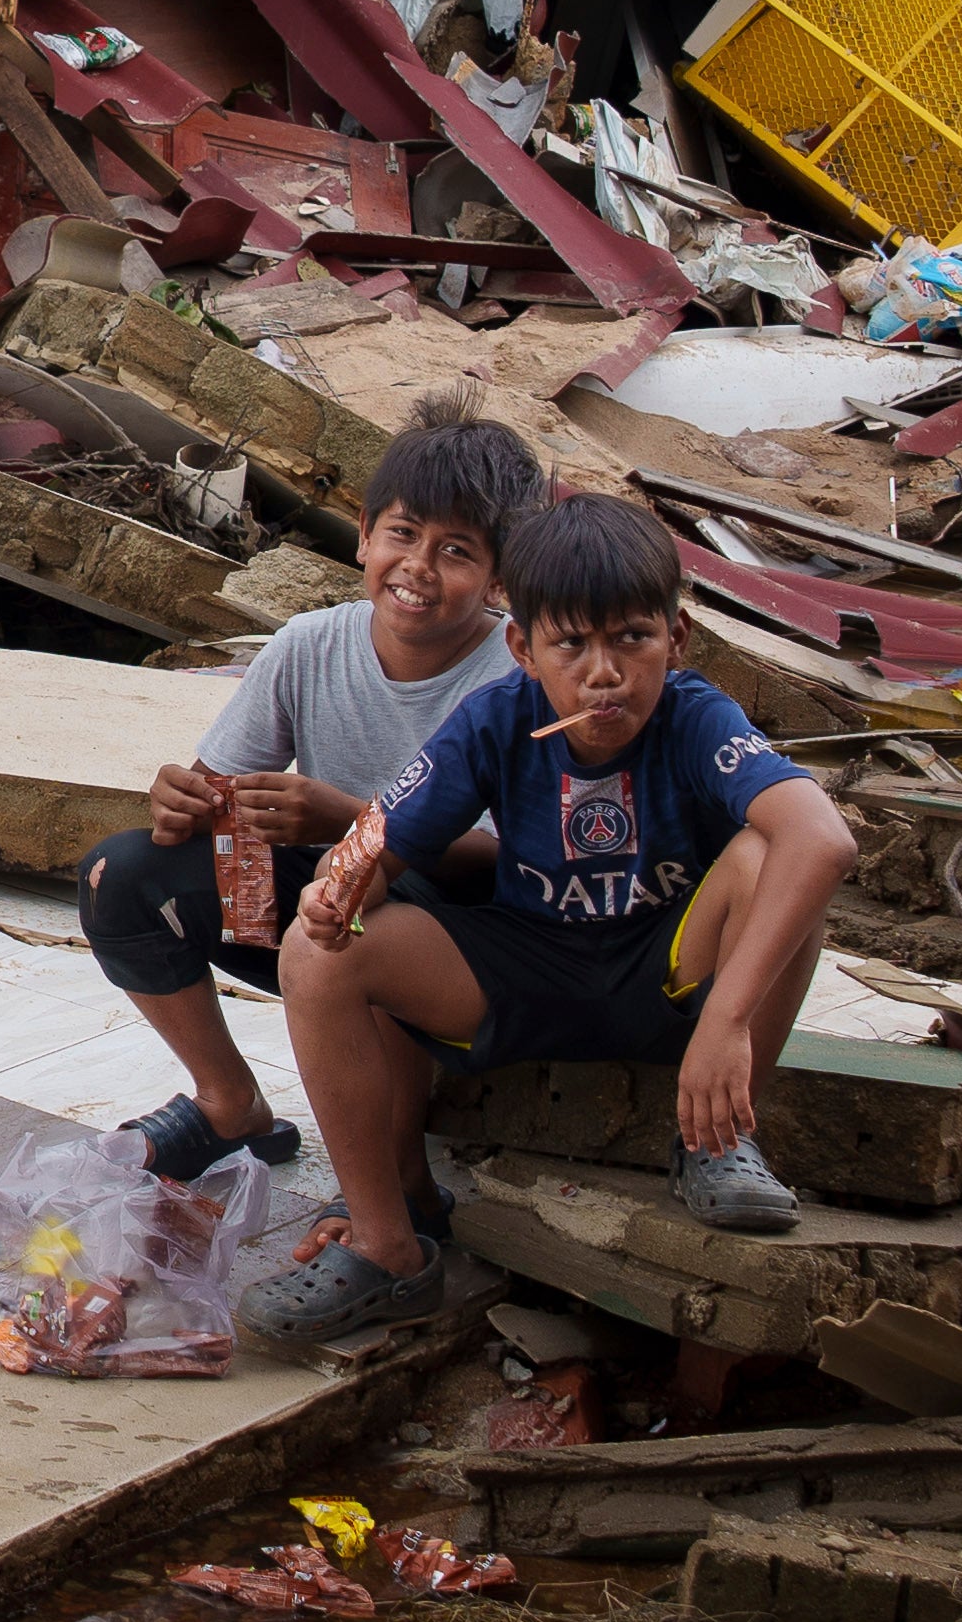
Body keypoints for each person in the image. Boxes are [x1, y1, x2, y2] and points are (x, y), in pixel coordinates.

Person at [243, 489, 858, 1354]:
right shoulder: (497, 720)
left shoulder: (695, 716)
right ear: (523, 649)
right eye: (572, 645)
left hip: (668, 975)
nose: (603, 673)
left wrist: (726, 1021)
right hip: (524, 972)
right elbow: (378, 839)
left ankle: (719, 1138)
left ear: (675, 641)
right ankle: (388, 1244)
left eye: (631, 640)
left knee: (773, 857)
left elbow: (823, 838)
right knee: (319, 948)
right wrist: (338, 888)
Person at [71, 410, 545, 1181]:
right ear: (363, 535)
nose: (418, 566)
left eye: (456, 551)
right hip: (323, 911)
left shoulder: (519, 671)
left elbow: (505, 864)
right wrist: (180, 804)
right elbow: (216, 800)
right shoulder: (311, 644)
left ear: (499, 578)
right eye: (403, 533)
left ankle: (392, 1187)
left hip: (452, 934)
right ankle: (230, 1101)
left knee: (379, 904)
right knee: (120, 877)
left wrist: (353, 823)